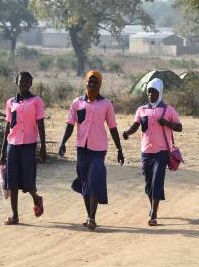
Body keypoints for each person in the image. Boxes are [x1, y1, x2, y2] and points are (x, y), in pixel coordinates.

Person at [58, 71, 124, 231]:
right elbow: (70, 125)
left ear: (100, 84)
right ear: (85, 83)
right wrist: (63, 142)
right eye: (89, 82)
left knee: (94, 180)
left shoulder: (106, 104)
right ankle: (89, 215)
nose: (92, 85)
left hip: (99, 149)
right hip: (82, 149)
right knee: (85, 182)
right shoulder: (77, 103)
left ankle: (92, 218)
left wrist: (119, 149)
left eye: (95, 82)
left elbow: (113, 128)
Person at [122, 79, 182, 226]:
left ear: (160, 92)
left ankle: (154, 213)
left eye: (153, 91)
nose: (150, 94)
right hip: (146, 151)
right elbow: (135, 126)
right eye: (148, 91)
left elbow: (179, 127)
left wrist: (167, 123)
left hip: (162, 152)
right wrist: (127, 133)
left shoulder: (168, 110)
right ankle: (152, 206)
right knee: (148, 182)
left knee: (157, 181)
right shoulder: (141, 110)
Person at [0, 71, 47, 225]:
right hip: (12, 144)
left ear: (31, 84)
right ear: (17, 82)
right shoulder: (11, 102)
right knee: (12, 180)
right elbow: (8, 126)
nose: (24, 84)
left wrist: (43, 146)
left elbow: (40, 123)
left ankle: (36, 198)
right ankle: (15, 215)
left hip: (29, 143)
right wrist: (3, 150)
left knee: (27, 179)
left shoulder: (36, 101)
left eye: (27, 82)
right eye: (21, 81)